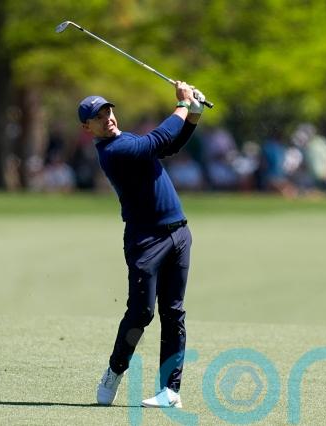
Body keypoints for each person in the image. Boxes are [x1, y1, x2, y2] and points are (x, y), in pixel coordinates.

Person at [78, 81, 203, 408]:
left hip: (179, 233)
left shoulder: (128, 140)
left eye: (108, 111)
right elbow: (157, 140)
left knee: (173, 312)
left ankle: (170, 391)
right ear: (87, 128)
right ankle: (115, 369)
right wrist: (183, 105)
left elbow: (169, 147)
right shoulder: (112, 152)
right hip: (146, 240)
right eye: (97, 117)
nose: (107, 118)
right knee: (141, 313)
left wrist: (194, 116)